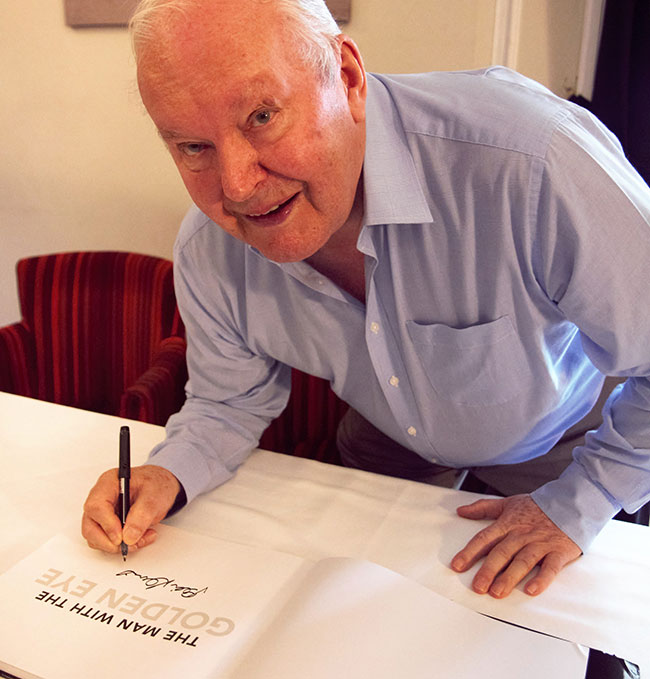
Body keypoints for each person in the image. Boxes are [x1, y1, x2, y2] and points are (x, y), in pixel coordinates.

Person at [82, 0, 650, 601]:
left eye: (263, 115)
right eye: (194, 147)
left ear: (346, 76)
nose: (238, 187)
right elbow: (227, 402)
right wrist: (169, 470)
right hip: (387, 441)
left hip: (560, 444)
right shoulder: (208, 248)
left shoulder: (534, 161)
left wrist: (583, 501)